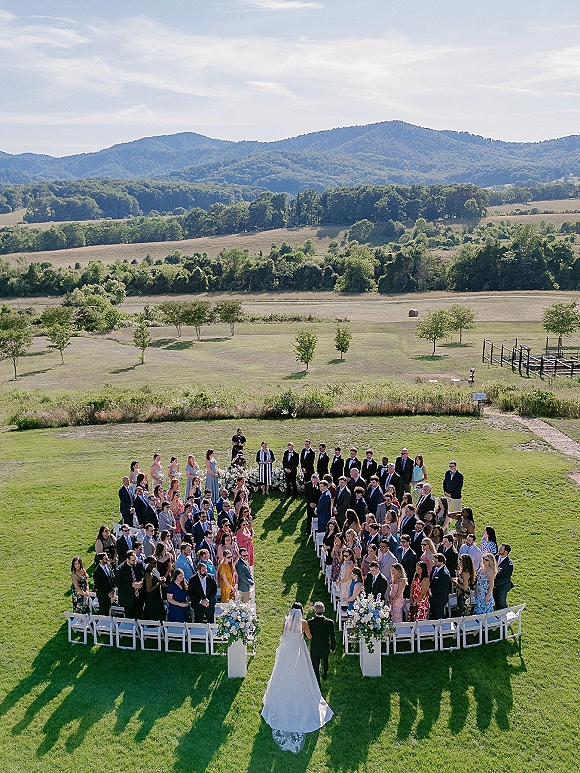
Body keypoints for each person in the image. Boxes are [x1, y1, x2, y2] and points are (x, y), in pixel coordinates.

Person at [262, 603, 333, 753]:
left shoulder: (286, 621)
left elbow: (283, 635)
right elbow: (309, 636)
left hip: (287, 651)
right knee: (302, 673)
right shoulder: (304, 623)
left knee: (282, 672)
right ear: (300, 612)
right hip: (298, 650)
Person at [307, 601, 336, 686]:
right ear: (324, 610)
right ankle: (324, 674)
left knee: (315, 665)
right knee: (325, 661)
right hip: (325, 646)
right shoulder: (329, 622)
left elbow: (307, 634)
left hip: (315, 647)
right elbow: (332, 636)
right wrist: (332, 647)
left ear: (314, 611)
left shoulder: (310, 622)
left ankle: (317, 681)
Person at [115, 550, 144, 618]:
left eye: (135, 559)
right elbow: (118, 584)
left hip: (139, 596)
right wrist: (131, 585)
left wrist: (142, 582)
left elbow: (144, 576)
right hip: (128, 598)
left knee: (139, 614)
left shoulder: (139, 564)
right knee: (130, 616)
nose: (135, 561)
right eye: (133, 560)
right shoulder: (120, 569)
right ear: (127, 559)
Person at [143, 556, 166, 621]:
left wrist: (160, 579)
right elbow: (149, 589)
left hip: (157, 596)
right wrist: (159, 583)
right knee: (154, 617)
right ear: (149, 564)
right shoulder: (148, 574)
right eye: (154, 563)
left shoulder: (153, 571)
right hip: (152, 599)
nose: (156, 564)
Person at [429, 553, 452, 619]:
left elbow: (441, 588)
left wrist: (432, 592)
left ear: (441, 562)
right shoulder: (434, 568)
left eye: (436, 562)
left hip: (440, 598)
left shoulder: (445, 574)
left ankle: (442, 627)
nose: (434, 563)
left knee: (439, 614)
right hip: (433, 597)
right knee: (434, 613)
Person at [494, 543, 514, 609]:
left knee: (501, 602)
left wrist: (494, 584)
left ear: (506, 552)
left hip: (502, 587)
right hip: (494, 585)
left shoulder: (509, 564)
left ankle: (504, 615)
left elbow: (505, 578)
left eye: (501, 549)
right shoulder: (496, 557)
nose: (499, 550)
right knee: (495, 601)